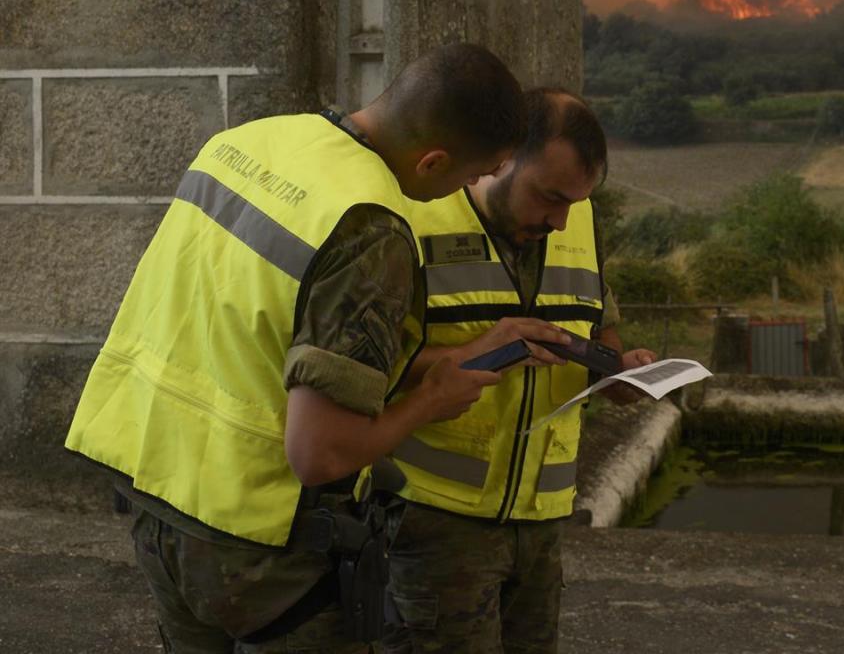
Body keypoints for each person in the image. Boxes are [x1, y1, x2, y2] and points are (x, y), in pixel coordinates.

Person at [64, 42, 541, 653]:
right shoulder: (369, 227)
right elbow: (322, 454)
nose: (472, 188)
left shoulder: (246, 143)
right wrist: (431, 399)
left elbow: (251, 327)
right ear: (432, 162)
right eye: (474, 174)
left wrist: (413, 364)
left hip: (158, 505)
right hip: (261, 547)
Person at [383, 88, 655, 654]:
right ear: (501, 160)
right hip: (433, 521)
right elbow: (360, 365)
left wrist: (617, 371)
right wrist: (483, 351)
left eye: (574, 203)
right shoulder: (409, 217)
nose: (560, 221)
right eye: (549, 197)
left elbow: (598, 332)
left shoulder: (575, 221)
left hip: (543, 523)